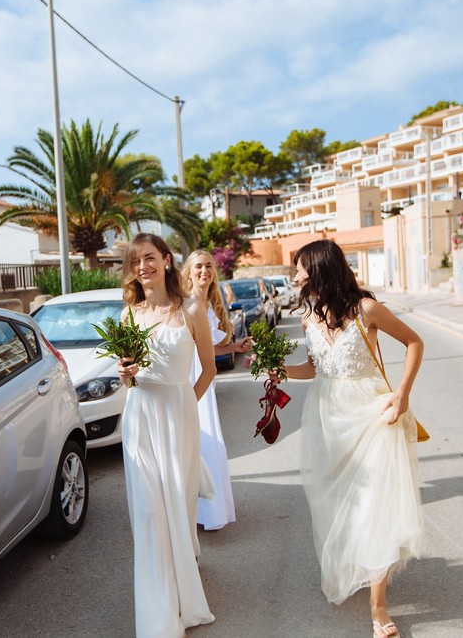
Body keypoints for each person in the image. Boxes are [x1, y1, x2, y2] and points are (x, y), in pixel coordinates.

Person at [273, 239, 424, 638]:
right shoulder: (308, 317)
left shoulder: (367, 309)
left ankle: (378, 609)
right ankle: (362, 569)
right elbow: (313, 367)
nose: (296, 276)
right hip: (328, 418)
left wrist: (402, 394)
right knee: (341, 505)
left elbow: (414, 343)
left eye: (300, 268)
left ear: (320, 268)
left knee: (377, 507)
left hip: (373, 415)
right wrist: (279, 371)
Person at [115, 234, 216, 638]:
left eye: (150, 258)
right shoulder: (128, 315)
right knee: (150, 515)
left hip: (178, 419)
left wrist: (185, 406)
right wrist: (125, 377)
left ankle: (184, 599)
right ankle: (158, 615)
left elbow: (208, 369)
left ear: (168, 261)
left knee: (177, 509)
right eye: (136, 260)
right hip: (139, 418)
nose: (143, 266)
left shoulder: (192, 310)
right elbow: (129, 378)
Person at [181, 250, 250, 531]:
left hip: (204, 378)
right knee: (189, 440)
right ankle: (188, 509)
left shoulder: (212, 303)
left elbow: (207, 349)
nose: (204, 271)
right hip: (185, 374)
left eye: (209, 266)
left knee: (207, 443)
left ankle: (207, 510)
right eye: (198, 266)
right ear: (188, 271)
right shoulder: (182, 304)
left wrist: (234, 347)